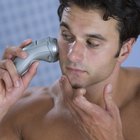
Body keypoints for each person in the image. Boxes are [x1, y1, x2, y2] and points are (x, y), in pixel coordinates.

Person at [0, 0, 140, 139]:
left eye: (92, 43)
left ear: (124, 50)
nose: (72, 55)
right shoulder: (23, 113)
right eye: (66, 36)